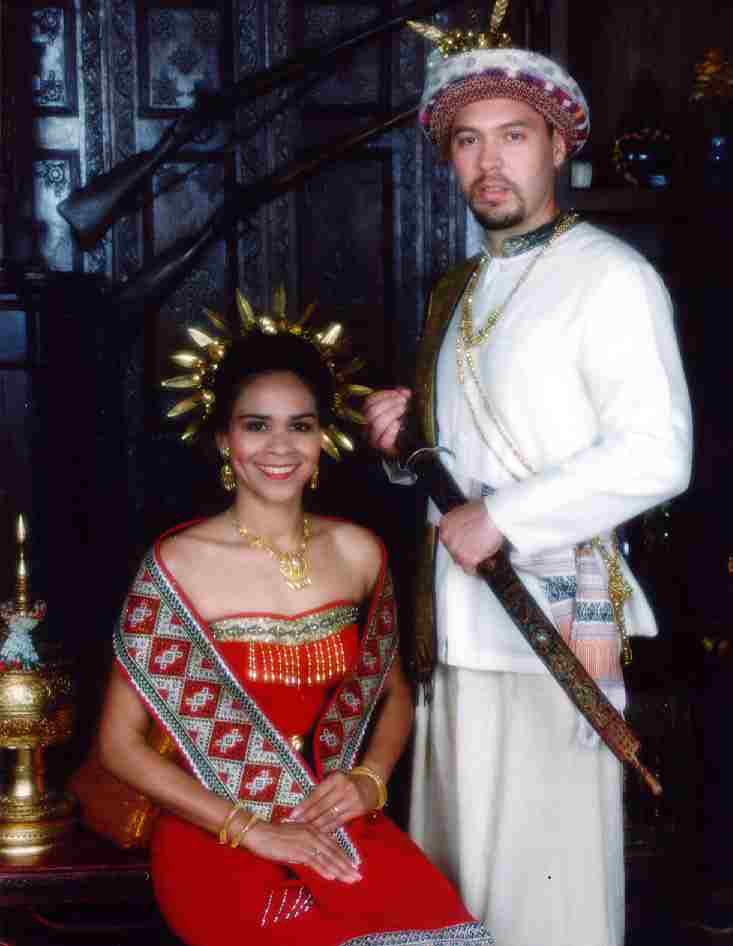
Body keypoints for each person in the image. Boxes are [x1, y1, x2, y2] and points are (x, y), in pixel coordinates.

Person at [364, 27, 693, 946]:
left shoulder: (611, 277)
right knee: (456, 882)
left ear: (556, 145)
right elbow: (463, 450)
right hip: (452, 627)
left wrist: (503, 516)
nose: (489, 161)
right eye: (467, 141)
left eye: (512, 135)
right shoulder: (457, 289)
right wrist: (402, 442)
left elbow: (658, 453)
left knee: (545, 902)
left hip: (549, 622)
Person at [97, 326, 493, 946]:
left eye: (300, 426)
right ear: (224, 440)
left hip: (338, 826)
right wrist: (252, 829)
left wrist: (369, 780)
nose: (279, 446)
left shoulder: (359, 552)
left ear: (321, 438)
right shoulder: (177, 565)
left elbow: (394, 693)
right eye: (256, 425)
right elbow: (119, 745)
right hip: (219, 834)